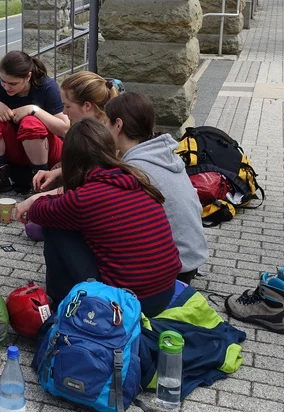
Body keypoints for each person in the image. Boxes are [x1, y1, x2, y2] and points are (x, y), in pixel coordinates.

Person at [14, 119, 181, 315]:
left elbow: (40, 212)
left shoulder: (84, 199)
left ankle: (61, 303)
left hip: (127, 303)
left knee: (55, 227)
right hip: (165, 292)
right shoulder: (134, 180)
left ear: (70, 159)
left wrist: (33, 200)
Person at [104, 92, 208, 283]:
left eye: (106, 122)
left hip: (172, 270)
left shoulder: (136, 170)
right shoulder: (163, 155)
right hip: (191, 259)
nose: (104, 128)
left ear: (118, 125)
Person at [0, 51, 70, 198]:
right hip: (16, 149)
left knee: (30, 122)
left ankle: (40, 181)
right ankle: (0, 175)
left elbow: (64, 128)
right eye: (3, 81)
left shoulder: (47, 87)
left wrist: (34, 110)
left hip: (47, 151)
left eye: (13, 83)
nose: (7, 87)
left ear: (28, 76)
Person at [31, 71, 120, 192]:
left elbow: (90, 184)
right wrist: (58, 172)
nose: (64, 112)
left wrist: (39, 198)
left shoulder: (103, 137)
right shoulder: (92, 130)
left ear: (87, 106)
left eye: (67, 106)